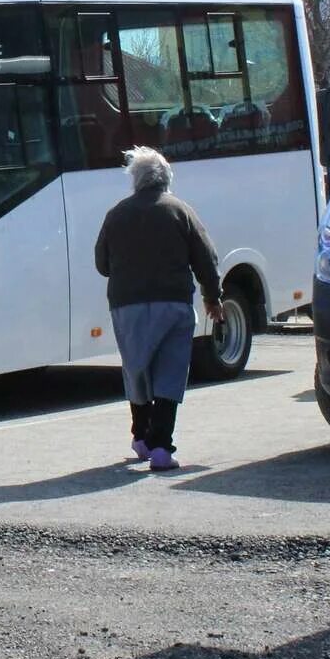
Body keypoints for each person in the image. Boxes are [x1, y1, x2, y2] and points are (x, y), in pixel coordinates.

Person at [92, 145, 222, 471]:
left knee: (136, 369)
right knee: (170, 372)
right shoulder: (180, 211)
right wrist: (213, 297)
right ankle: (161, 447)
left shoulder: (116, 214)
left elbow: (102, 264)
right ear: (167, 179)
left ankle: (140, 437)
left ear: (134, 180)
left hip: (127, 304)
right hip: (174, 303)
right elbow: (206, 259)